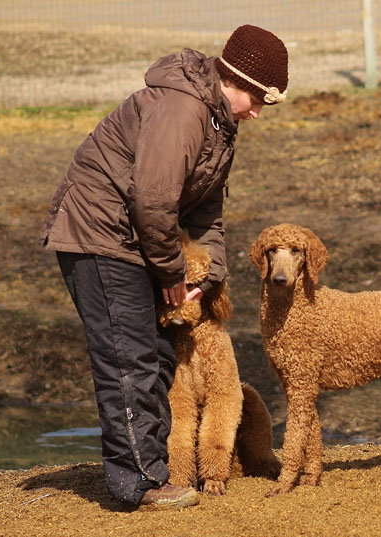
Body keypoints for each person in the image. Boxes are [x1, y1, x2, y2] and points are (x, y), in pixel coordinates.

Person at [38, 24, 288, 509]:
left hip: (137, 239)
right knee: (128, 357)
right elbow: (153, 200)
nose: (257, 112)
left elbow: (206, 214)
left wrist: (207, 279)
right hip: (99, 235)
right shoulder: (182, 111)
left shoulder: (220, 123)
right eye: (257, 99)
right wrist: (173, 273)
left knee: (157, 352)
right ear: (233, 80)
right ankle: (138, 482)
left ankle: (157, 467)